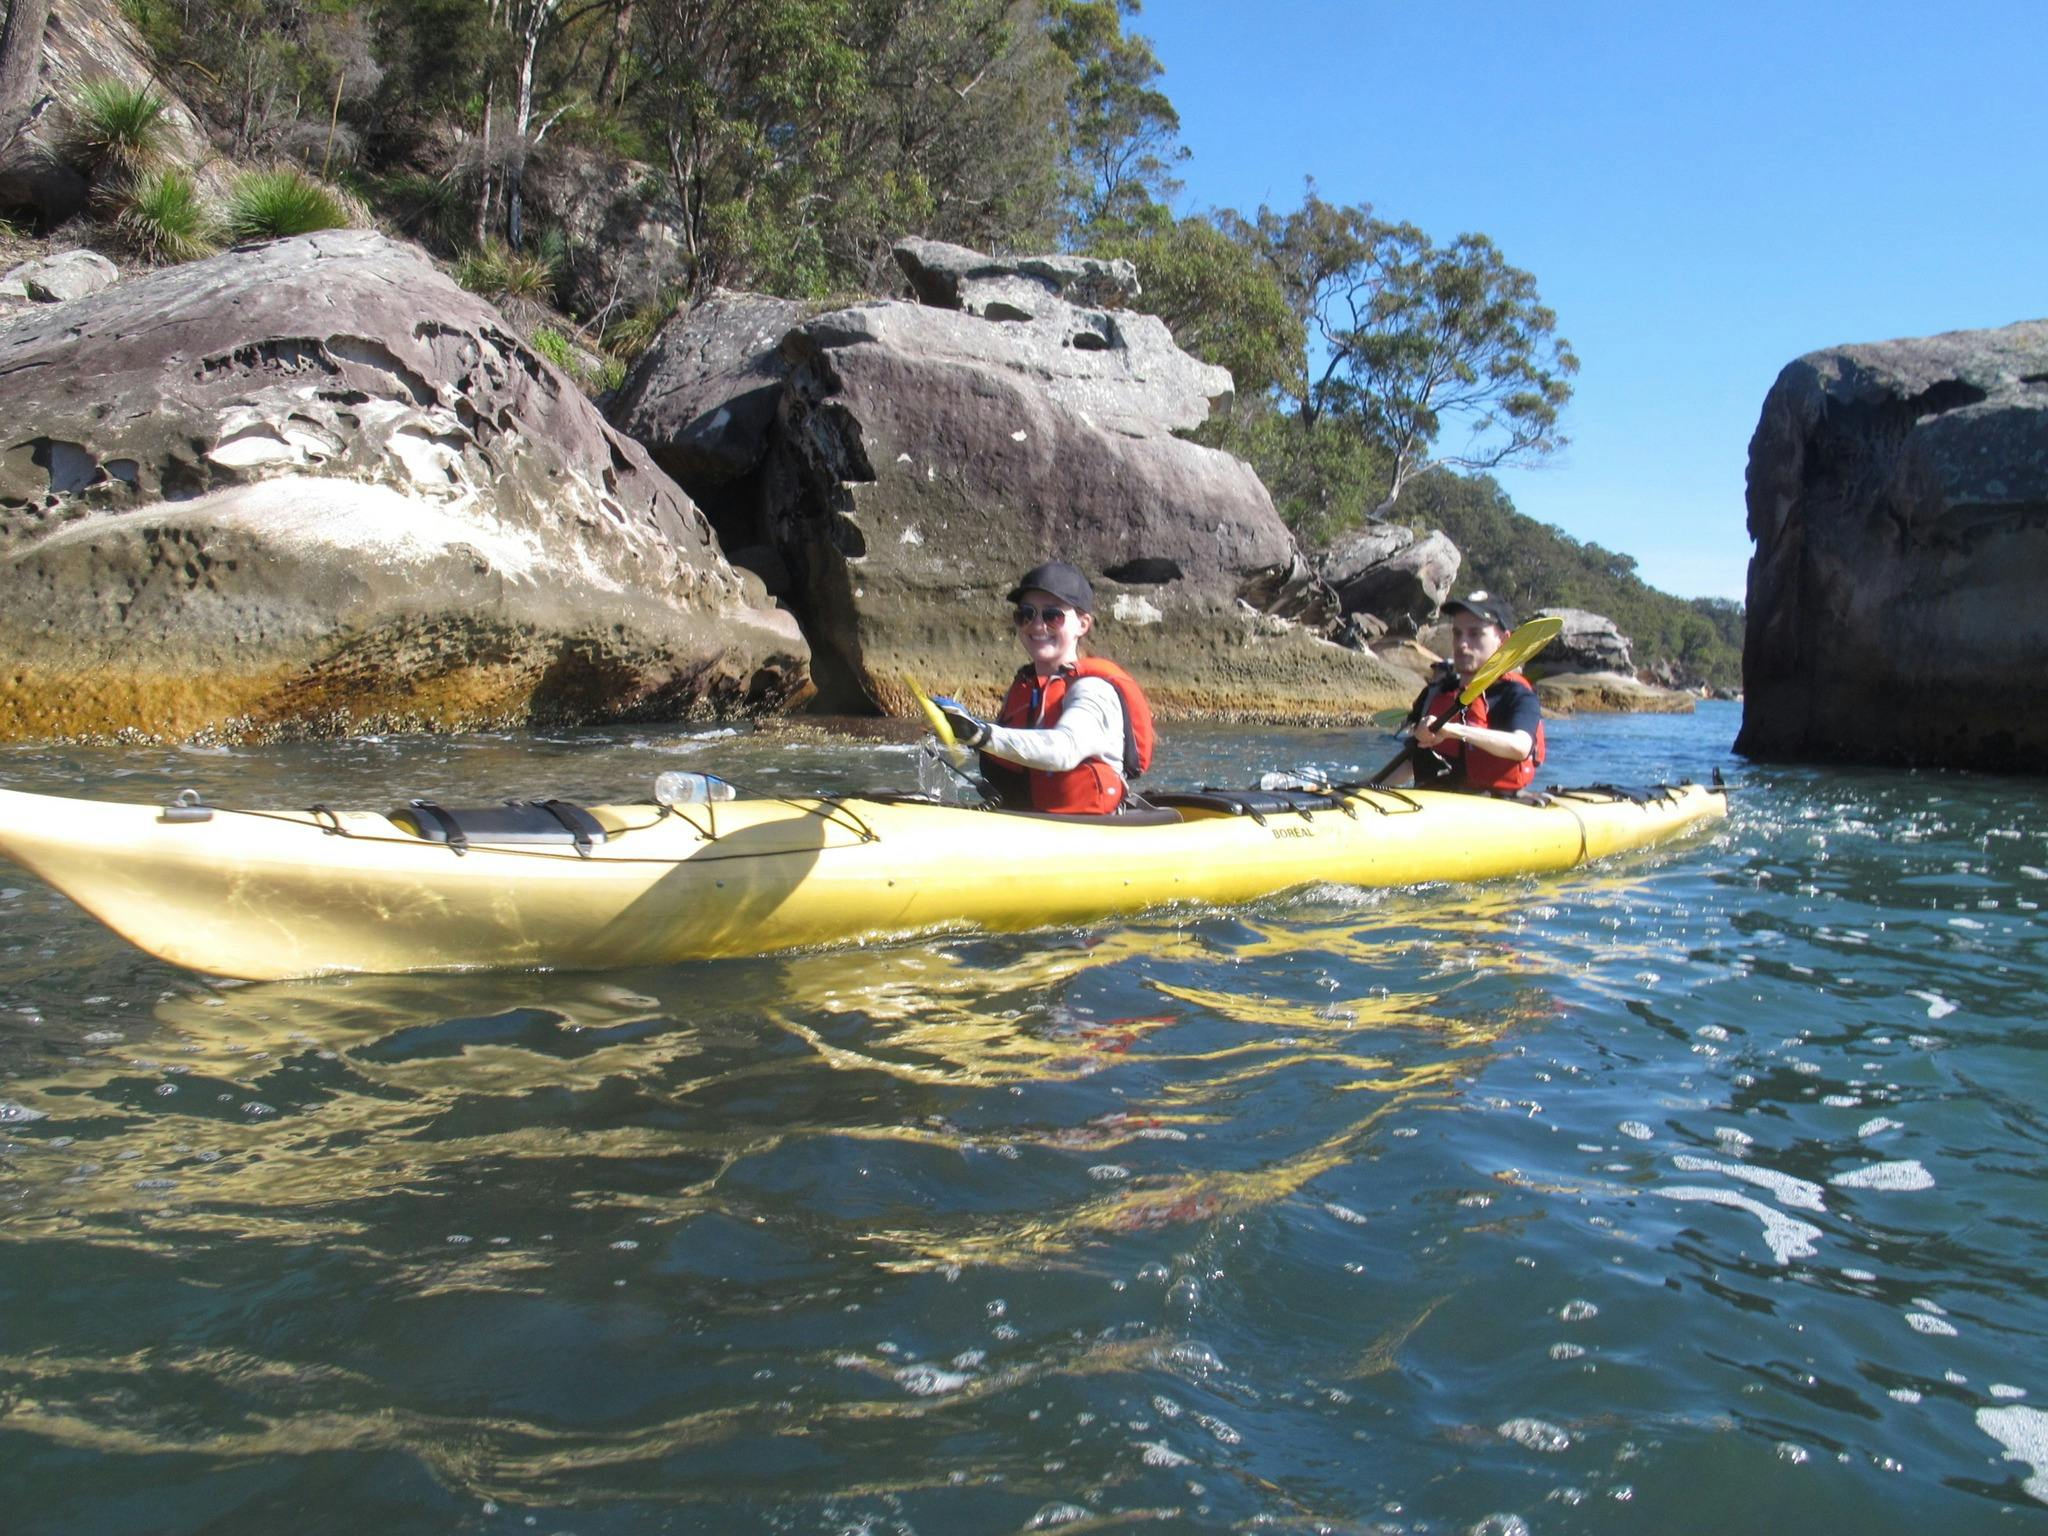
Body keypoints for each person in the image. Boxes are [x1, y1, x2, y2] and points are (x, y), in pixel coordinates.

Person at [928, 560, 1155, 815]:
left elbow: (1064, 749)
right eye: (1026, 614)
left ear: (1083, 624)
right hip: (1028, 820)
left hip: (1087, 830)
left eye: (1052, 615)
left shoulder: (1093, 689)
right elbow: (1012, 748)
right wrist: (958, 731)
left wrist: (982, 734)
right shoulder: (1027, 689)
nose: (1037, 626)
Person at [1389, 592, 1545, 793]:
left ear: (1504, 641)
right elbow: (1410, 763)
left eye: (1475, 634)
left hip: (1497, 806)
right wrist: (1363, 790)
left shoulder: (1516, 694)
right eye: (1457, 633)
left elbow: (1520, 746)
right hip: (1435, 803)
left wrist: (1455, 731)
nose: (1462, 644)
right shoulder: (1437, 693)